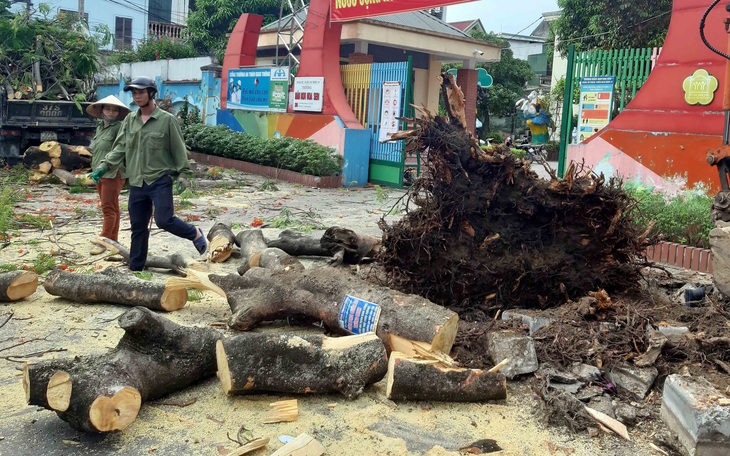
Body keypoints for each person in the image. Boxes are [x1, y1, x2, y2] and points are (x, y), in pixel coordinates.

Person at [91, 76, 208, 271]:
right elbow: (120, 147)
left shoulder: (167, 121)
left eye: (141, 92)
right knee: (138, 226)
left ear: (151, 94)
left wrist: (183, 174)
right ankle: (136, 268)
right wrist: (104, 166)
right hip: (136, 180)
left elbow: (179, 149)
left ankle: (194, 233)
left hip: (159, 179)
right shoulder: (129, 120)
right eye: (134, 93)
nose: (137, 96)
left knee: (164, 220)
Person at [86, 95, 131, 255]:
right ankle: (113, 240)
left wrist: (105, 167)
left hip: (113, 172)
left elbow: (120, 149)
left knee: (108, 208)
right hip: (99, 171)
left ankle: (104, 241)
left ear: (119, 113)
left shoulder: (119, 127)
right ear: (101, 110)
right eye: (108, 109)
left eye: (115, 110)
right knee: (113, 207)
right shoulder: (100, 127)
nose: (111, 112)